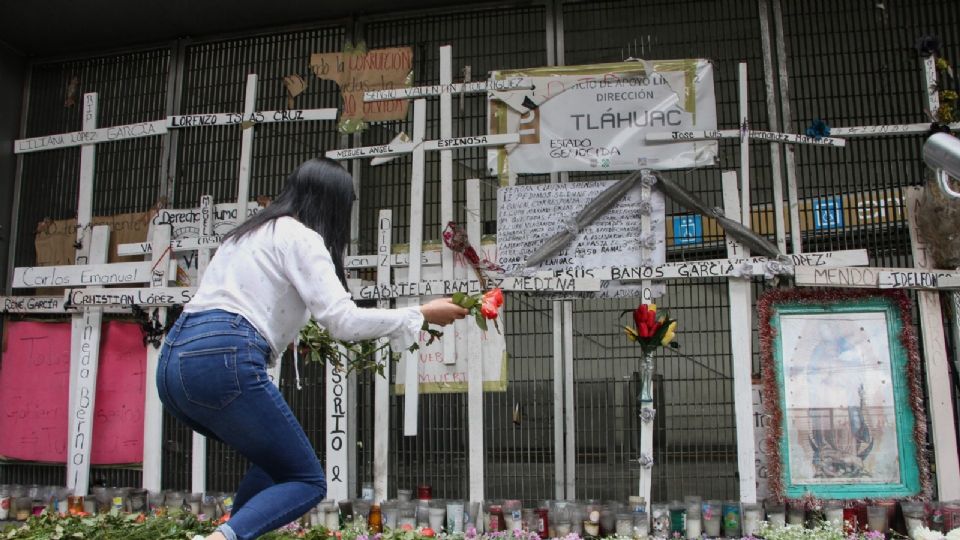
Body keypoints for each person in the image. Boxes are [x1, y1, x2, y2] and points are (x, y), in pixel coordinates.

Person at [156, 157, 470, 540]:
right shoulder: (301, 236)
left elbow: (258, 306)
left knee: (273, 462)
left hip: (174, 362)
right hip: (225, 360)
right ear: (333, 203)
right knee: (306, 480)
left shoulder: (244, 235)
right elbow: (343, 320)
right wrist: (419, 313)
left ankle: (232, 535)